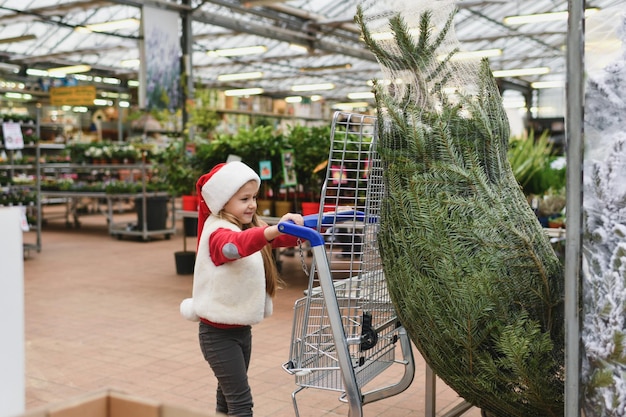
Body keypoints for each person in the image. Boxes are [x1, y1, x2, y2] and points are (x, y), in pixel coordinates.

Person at [179, 160, 304, 417]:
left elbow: (281, 237)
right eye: (244, 198)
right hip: (217, 335)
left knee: (227, 400)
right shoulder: (219, 231)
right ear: (223, 201)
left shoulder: (244, 227)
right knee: (241, 403)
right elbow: (234, 247)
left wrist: (323, 222)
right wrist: (272, 230)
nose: (252, 204)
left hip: (240, 331)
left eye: (254, 197)